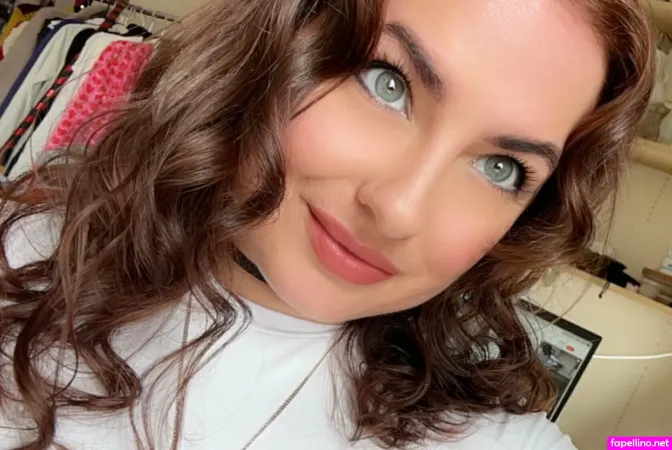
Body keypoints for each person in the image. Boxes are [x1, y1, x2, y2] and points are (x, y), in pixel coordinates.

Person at [0, 0, 653, 449]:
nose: (400, 208)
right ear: (278, 42)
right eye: (387, 82)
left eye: (500, 168)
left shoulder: (489, 440)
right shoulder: (24, 247)